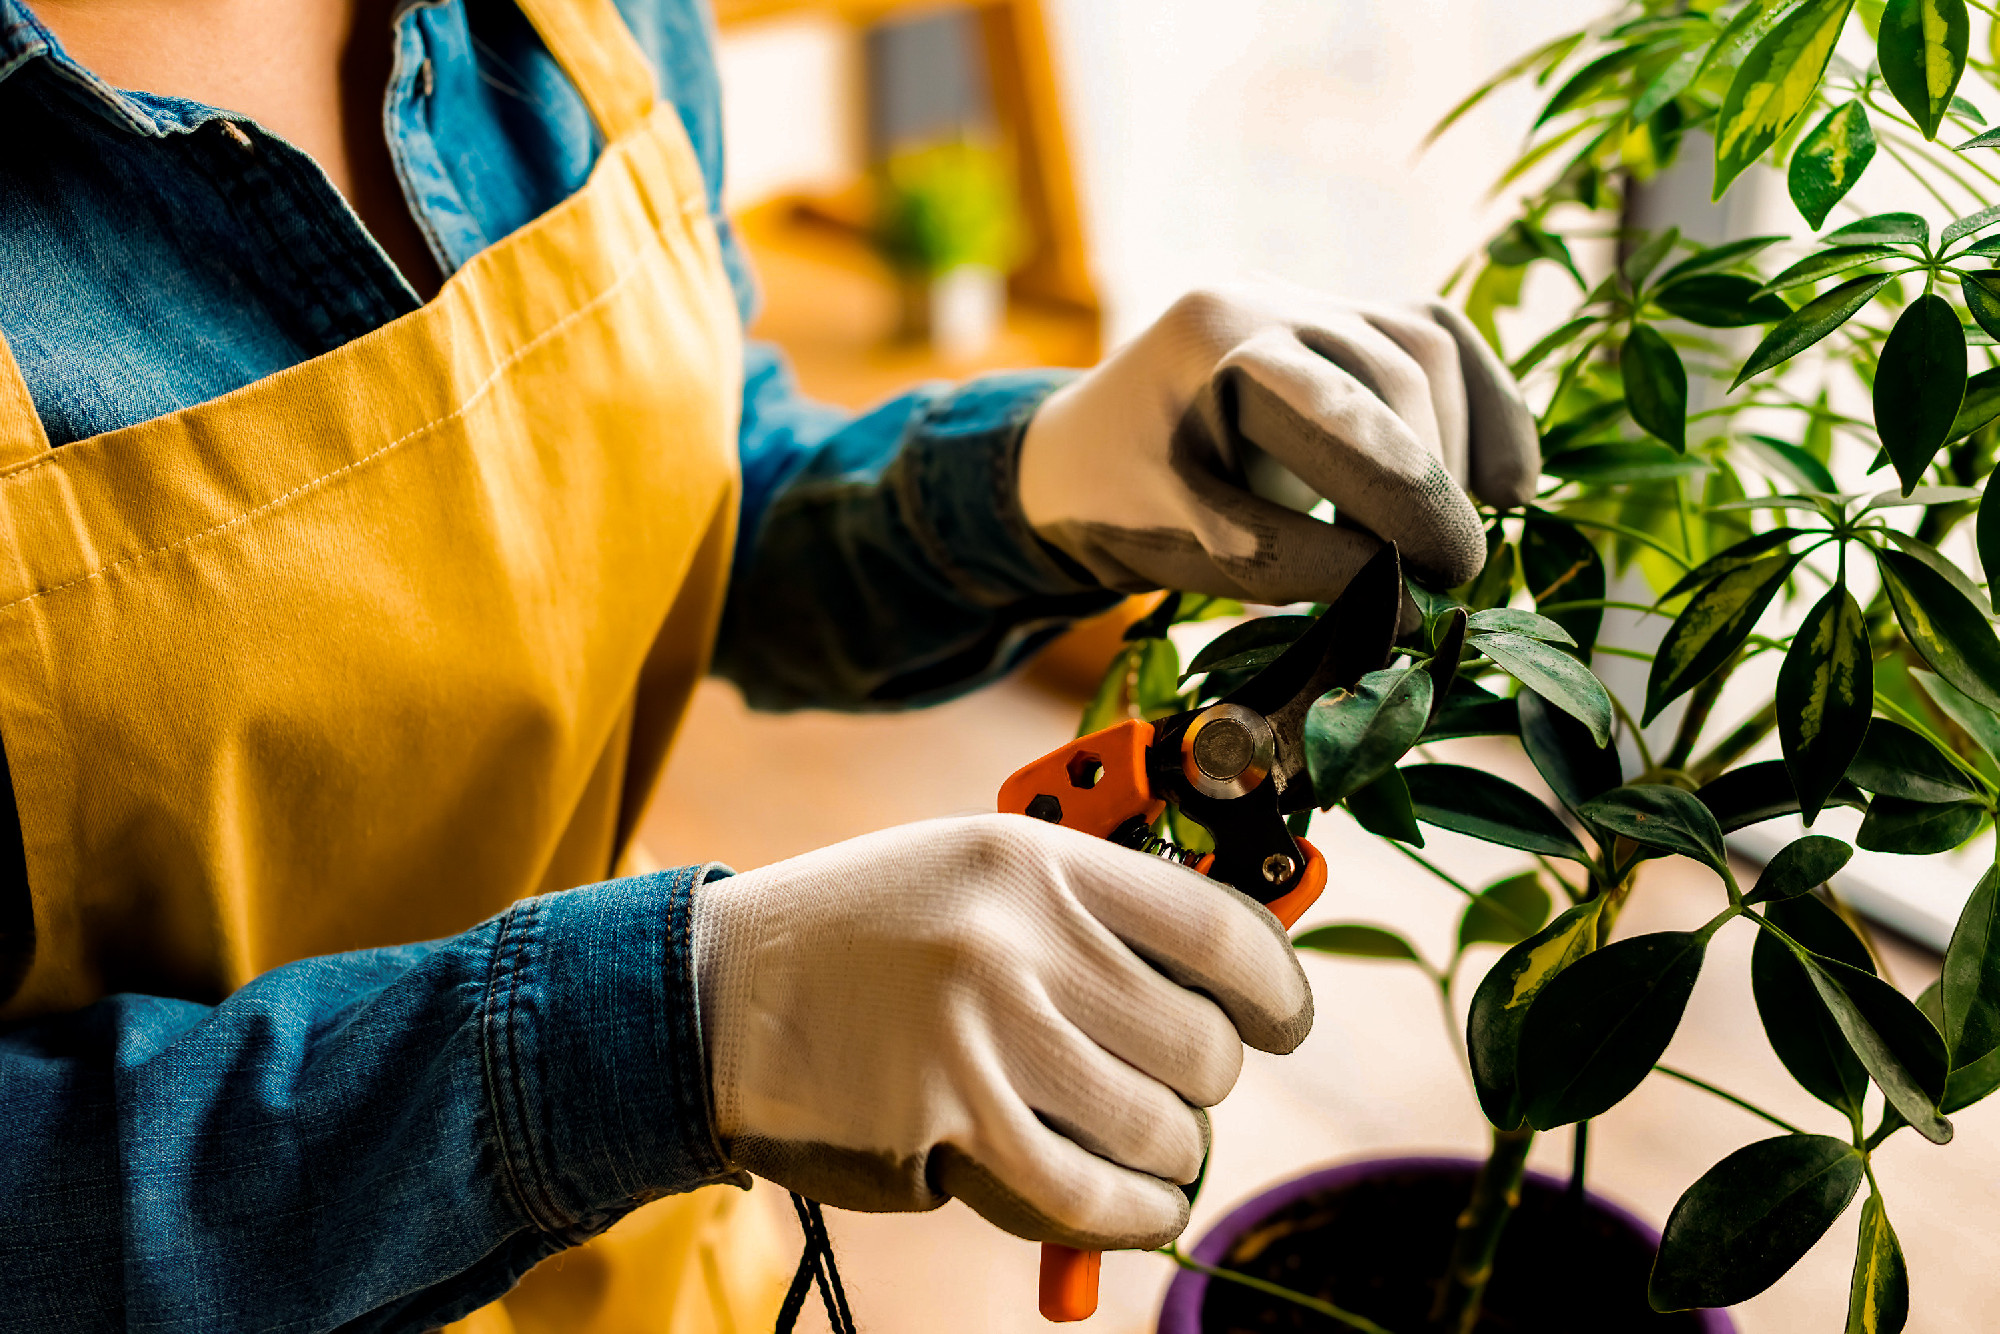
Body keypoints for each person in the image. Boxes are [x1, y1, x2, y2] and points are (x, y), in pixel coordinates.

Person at [0, 0, 1540, 1329]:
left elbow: (643, 501)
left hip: (653, 1274)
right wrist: (663, 1032)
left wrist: (1040, 476)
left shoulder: (576, 24)